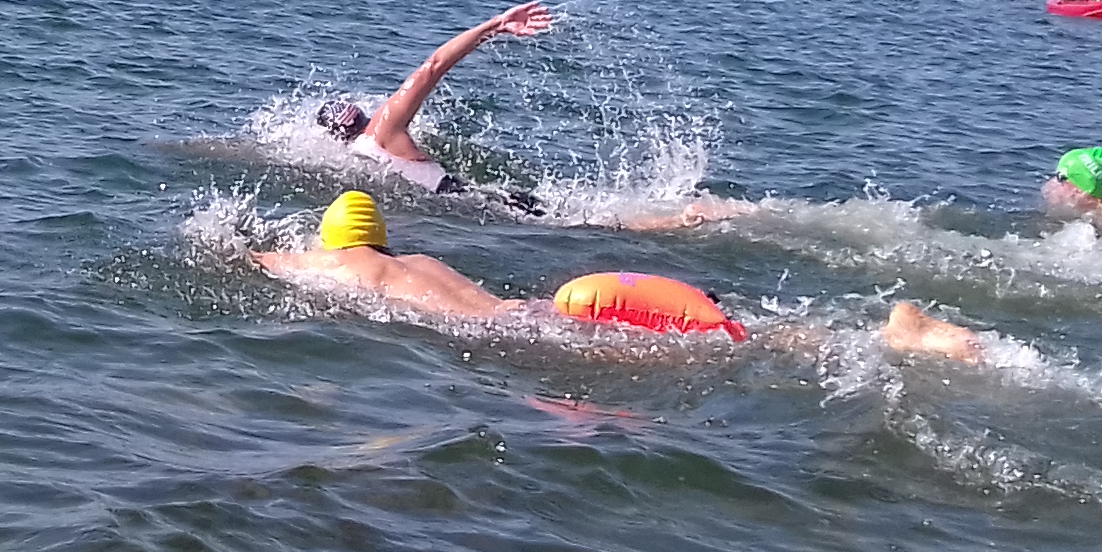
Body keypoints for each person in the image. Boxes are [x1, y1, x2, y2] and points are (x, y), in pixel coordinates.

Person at [253, 191, 990, 358]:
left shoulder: (337, 267)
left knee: (705, 348)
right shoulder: (414, 259)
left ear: (330, 239)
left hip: (527, 330)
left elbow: (269, 261)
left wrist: (237, 249)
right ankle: (882, 334)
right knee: (724, 333)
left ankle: (889, 342)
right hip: (535, 305)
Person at [315, 2, 555, 204]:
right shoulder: (382, 129)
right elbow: (433, 66)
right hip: (483, 201)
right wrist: (496, 25)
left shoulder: (354, 160)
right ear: (361, 115)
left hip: (457, 208)